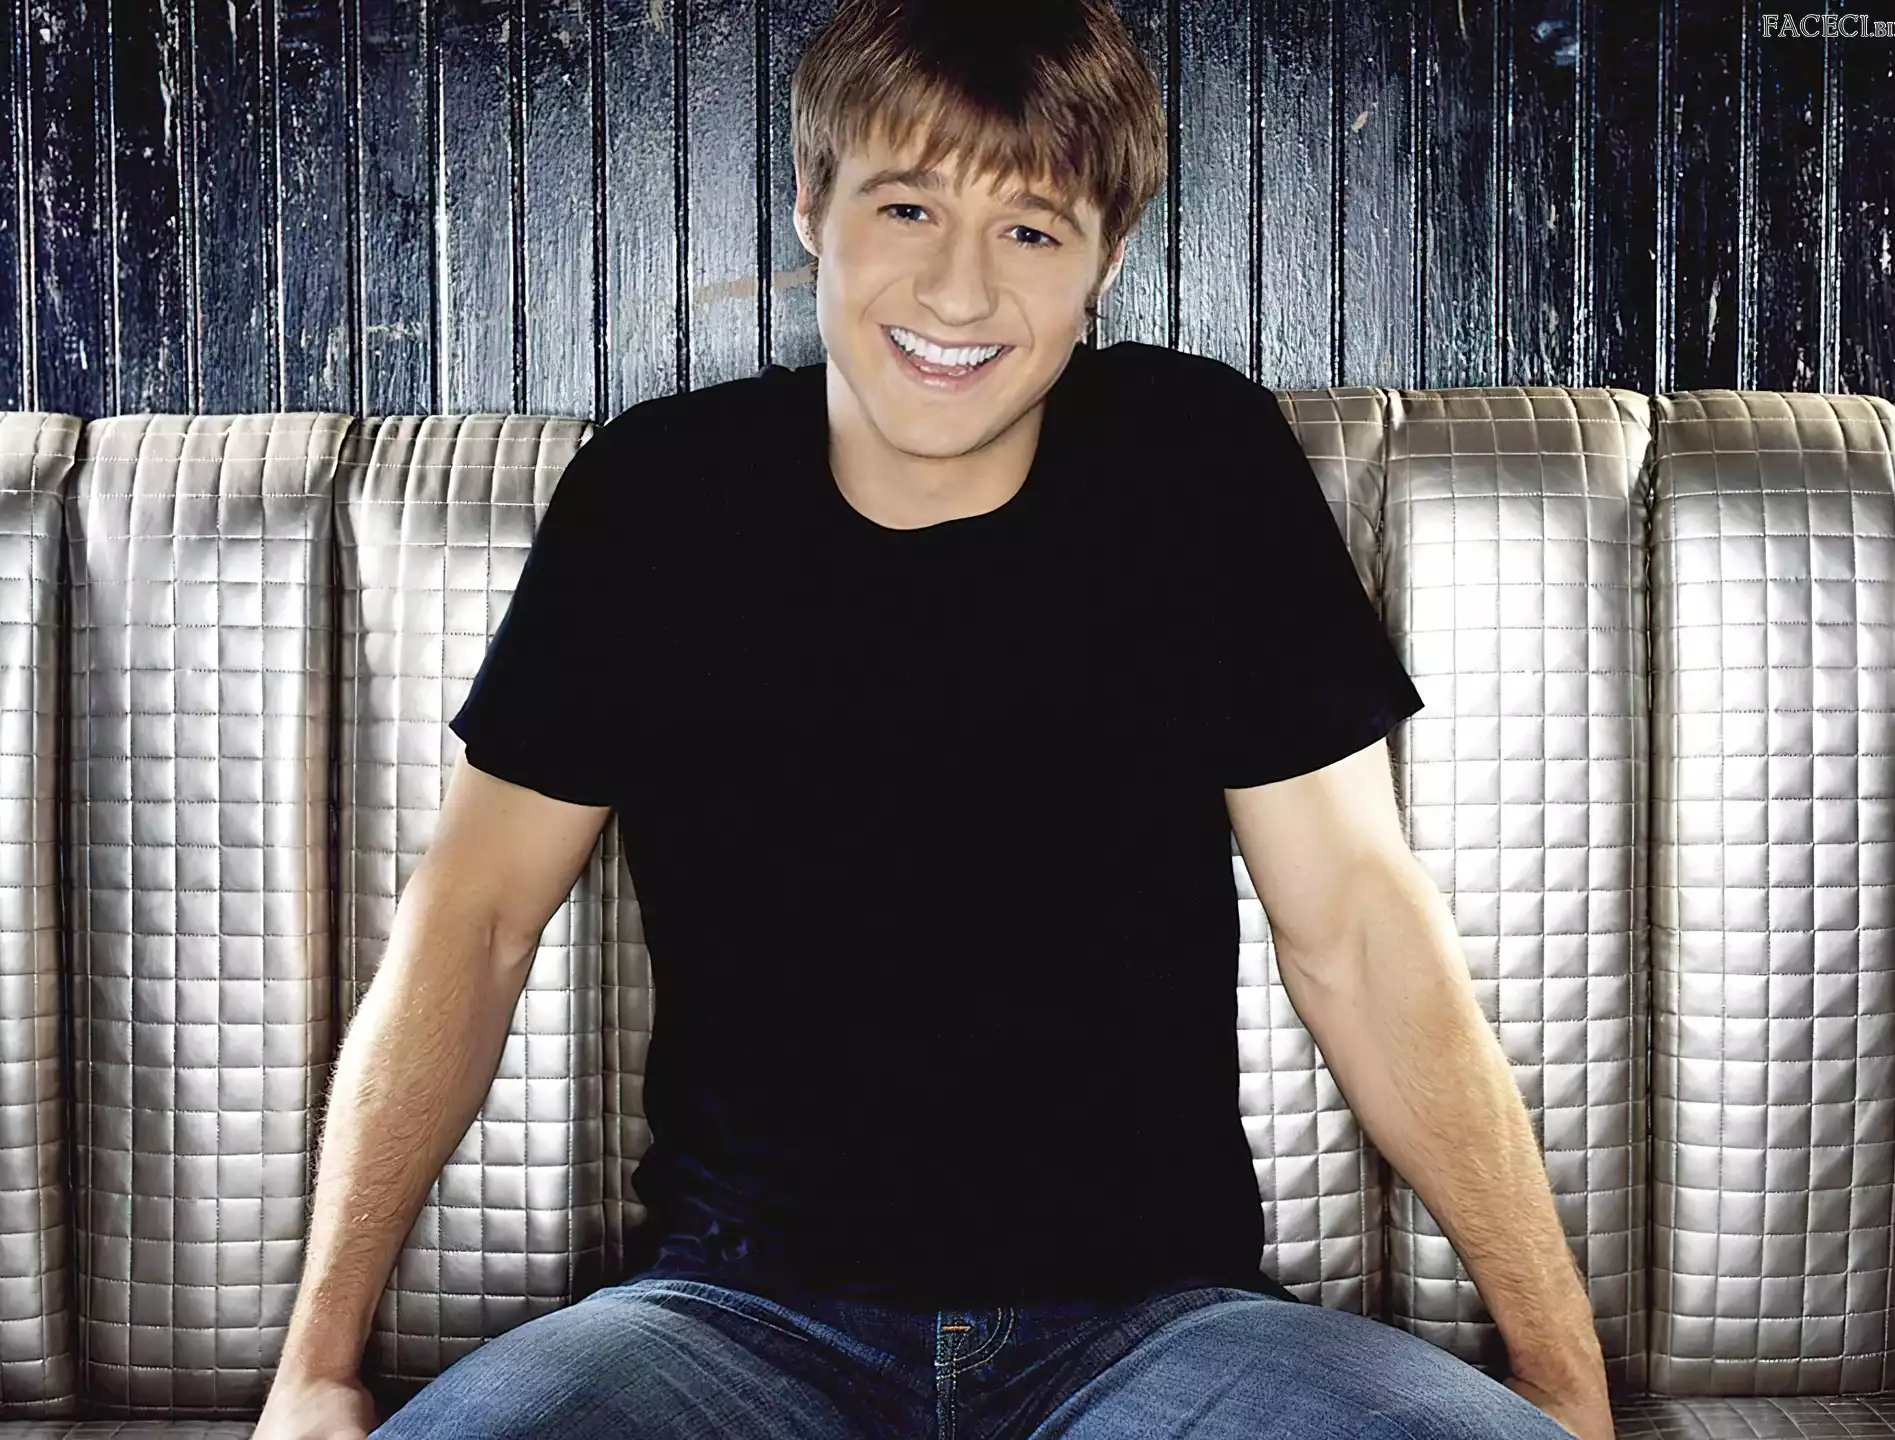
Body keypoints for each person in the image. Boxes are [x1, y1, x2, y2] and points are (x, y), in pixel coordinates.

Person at [254, 1, 1612, 1436]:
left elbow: (1356, 926)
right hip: (723, 1323)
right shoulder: (658, 498)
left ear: (1108, 259)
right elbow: (470, 925)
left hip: (1158, 1328)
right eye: (908, 207)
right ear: (812, 205)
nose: (960, 293)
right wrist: (317, 1365)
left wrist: (1562, 1372)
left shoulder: (1198, 465)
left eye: (1030, 229)